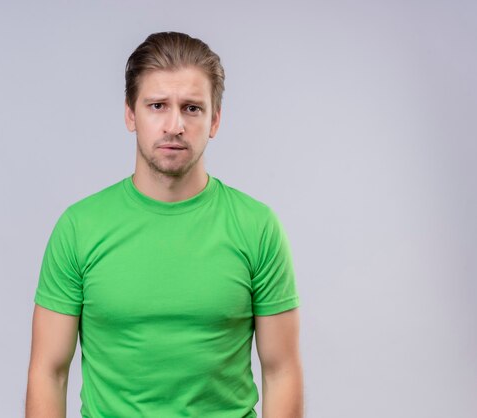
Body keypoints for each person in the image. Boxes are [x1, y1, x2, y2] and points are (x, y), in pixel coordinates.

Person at [25, 31, 303, 418]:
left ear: (215, 120)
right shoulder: (79, 228)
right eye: (157, 105)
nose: (174, 125)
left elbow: (282, 371)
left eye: (192, 108)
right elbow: (48, 372)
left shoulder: (257, 227)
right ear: (130, 114)